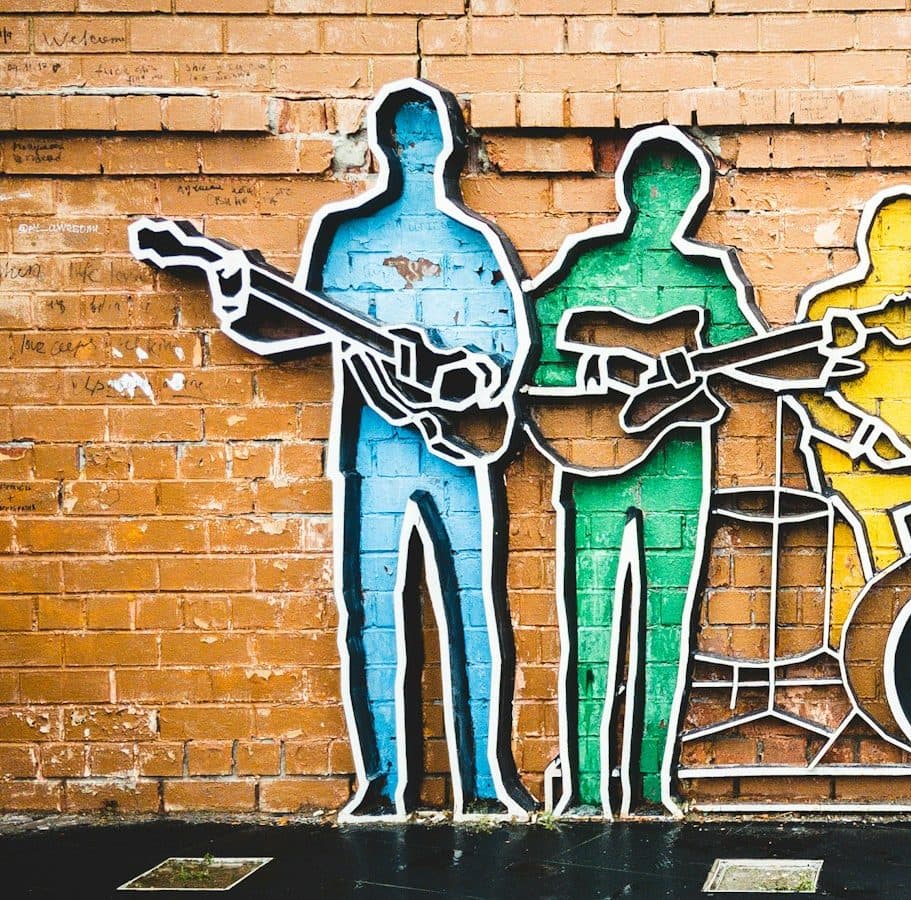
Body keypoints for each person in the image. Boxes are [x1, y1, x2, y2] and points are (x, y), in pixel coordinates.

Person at [210, 79, 534, 820]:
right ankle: (383, 783)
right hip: (368, 454)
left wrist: (461, 376)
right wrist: (238, 297)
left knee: (472, 610)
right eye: (402, 135)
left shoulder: (476, 242)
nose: (418, 149)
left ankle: (485, 781)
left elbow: (508, 358)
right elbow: (289, 328)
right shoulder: (342, 236)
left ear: (450, 144)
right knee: (371, 616)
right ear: (381, 144)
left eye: (427, 135)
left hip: (457, 453)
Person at [520, 126, 764, 817]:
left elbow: (751, 357)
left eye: (681, 195)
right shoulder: (586, 268)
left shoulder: (709, 278)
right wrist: (596, 370)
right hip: (590, 456)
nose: (668, 207)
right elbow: (524, 344)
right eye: (658, 192)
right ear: (629, 192)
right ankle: (587, 787)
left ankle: (653, 784)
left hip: (679, 463)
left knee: (667, 628)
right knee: (589, 622)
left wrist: (815, 359)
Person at [791, 187, 911, 646]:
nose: (901, 246)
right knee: (874, 519)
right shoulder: (829, 305)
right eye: (890, 233)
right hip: (844, 446)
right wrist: (860, 435)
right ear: (869, 238)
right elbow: (805, 389)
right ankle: (888, 635)